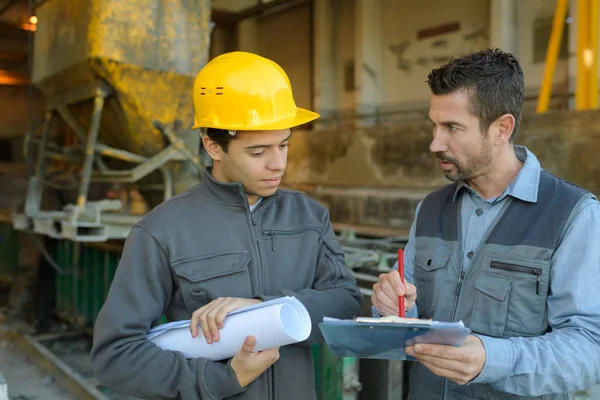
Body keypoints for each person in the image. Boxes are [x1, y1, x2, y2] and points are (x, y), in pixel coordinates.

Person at [91, 51, 363, 400]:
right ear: (213, 146)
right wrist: (222, 378)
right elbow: (115, 356)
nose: (277, 164)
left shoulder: (309, 217)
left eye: (284, 145)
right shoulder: (162, 230)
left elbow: (346, 304)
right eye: (258, 152)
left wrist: (262, 306)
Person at [371, 48, 600, 399]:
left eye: (452, 128)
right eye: (433, 125)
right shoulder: (431, 209)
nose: (435, 143)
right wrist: (392, 308)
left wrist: (492, 359)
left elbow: (588, 349)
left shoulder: (573, 215)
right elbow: (411, 316)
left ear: (501, 129)